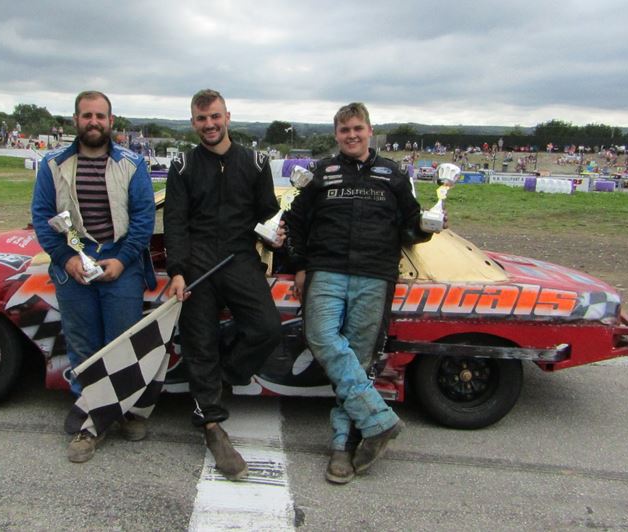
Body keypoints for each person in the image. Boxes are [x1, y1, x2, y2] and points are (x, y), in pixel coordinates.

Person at [284, 102, 442, 484]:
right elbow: (294, 222)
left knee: (357, 359)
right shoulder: (321, 172)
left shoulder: (394, 174)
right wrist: (300, 265)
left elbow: (410, 227)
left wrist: (429, 226)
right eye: (344, 130)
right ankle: (380, 420)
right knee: (319, 336)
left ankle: (342, 445)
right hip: (326, 270)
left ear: (370, 131)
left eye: (357, 128)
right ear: (336, 135)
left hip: (375, 275)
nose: (351, 135)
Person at [164, 89, 283, 481]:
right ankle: (212, 424)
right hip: (196, 262)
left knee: (267, 328)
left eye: (215, 116)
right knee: (199, 341)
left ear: (227, 117)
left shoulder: (256, 162)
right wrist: (177, 271)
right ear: (193, 122)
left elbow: (268, 214)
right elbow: (175, 222)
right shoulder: (182, 165)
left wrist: (276, 235)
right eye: (201, 119)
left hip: (239, 258)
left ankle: (222, 376)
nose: (209, 124)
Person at [31, 90, 156, 463]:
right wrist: (65, 258)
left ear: (111, 121)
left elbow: (144, 218)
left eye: (100, 116)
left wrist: (122, 260)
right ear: (75, 120)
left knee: (122, 345)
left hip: (120, 261)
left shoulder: (132, 164)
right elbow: (42, 216)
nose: (94, 122)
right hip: (74, 263)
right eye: (87, 115)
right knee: (84, 347)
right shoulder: (52, 164)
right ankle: (91, 421)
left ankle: (126, 409)